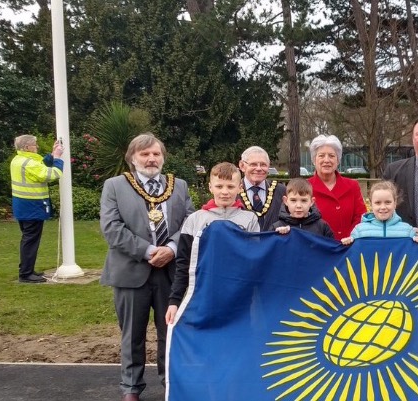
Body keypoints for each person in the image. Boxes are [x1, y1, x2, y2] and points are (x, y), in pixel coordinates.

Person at [99, 133, 194, 401]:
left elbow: (190, 223)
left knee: (170, 332)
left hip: (171, 273)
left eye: (156, 154)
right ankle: (131, 387)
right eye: (145, 154)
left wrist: (172, 248)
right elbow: (111, 228)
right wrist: (149, 251)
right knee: (132, 334)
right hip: (130, 271)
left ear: (163, 157)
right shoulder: (115, 186)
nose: (151, 159)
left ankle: (170, 384)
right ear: (132, 158)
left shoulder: (179, 186)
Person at [165, 162, 259, 324]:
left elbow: (256, 260)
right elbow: (183, 264)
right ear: (210, 187)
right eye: (219, 186)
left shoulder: (250, 220)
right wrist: (174, 301)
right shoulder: (195, 220)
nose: (225, 192)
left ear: (240, 188)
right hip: (203, 297)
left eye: (230, 186)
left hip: (239, 299)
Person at [10, 135, 64, 283]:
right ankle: (26, 274)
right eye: (35, 145)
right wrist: (58, 159)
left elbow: (40, 164)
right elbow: (52, 174)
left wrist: (52, 155)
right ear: (27, 147)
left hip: (23, 206)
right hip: (31, 206)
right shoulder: (29, 163)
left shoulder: (19, 159)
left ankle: (27, 269)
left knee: (28, 238)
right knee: (30, 240)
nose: (37, 147)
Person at [307, 134, 367, 240]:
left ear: (338, 160)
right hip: (316, 246)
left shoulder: (352, 186)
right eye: (321, 156)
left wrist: (351, 237)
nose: (327, 160)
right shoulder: (305, 187)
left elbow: (360, 217)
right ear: (314, 160)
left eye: (331, 156)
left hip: (348, 245)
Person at [341, 181, 418, 245]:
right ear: (371, 204)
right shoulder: (359, 231)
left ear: (395, 203)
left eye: (388, 202)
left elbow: (416, 253)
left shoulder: (408, 231)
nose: (383, 207)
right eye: (378, 203)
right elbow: (352, 254)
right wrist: (347, 243)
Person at [238, 146, 286, 231]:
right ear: (242, 166)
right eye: (253, 164)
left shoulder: (281, 191)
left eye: (263, 164)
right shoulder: (232, 192)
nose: (259, 168)